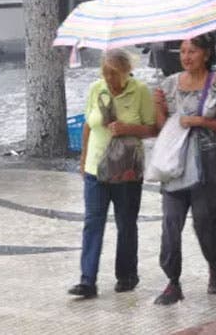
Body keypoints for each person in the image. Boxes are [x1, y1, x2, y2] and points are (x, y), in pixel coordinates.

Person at [152, 33, 216, 305]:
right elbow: (161, 129)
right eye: (182, 51)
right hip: (174, 163)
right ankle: (173, 282)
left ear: (207, 53)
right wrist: (158, 109)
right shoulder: (167, 85)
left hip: (208, 163)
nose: (186, 57)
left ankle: (215, 265)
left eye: (192, 51)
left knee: (205, 223)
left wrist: (201, 121)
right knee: (170, 223)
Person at [68, 49, 157, 299]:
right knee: (92, 223)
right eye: (105, 74)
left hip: (127, 171)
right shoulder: (97, 88)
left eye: (114, 74)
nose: (109, 79)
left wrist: (128, 128)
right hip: (96, 168)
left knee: (126, 223)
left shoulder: (139, 91)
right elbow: (88, 124)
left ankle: (127, 274)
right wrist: (83, 159)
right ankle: (87, 280)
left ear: (126, 71)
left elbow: (153, 128)